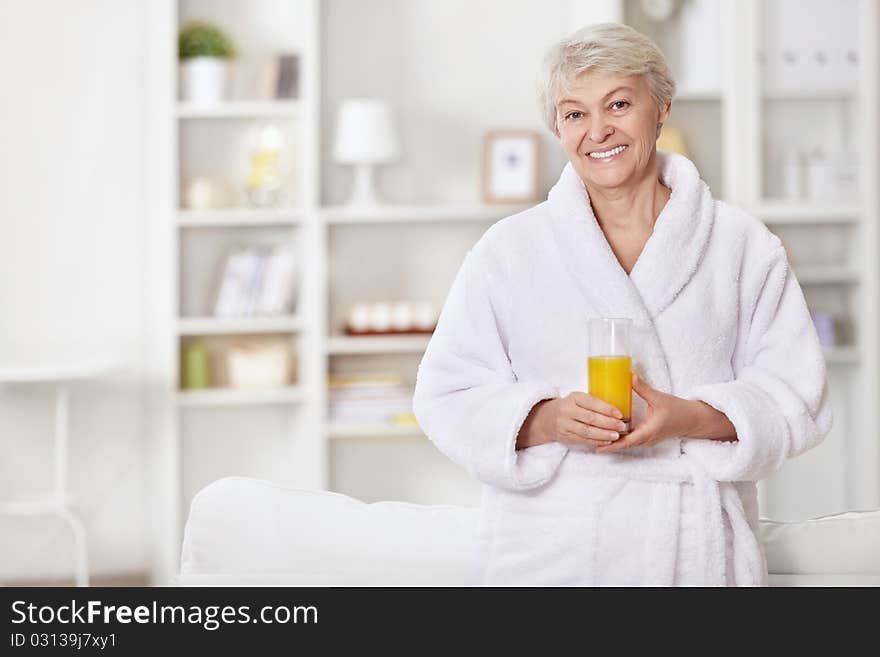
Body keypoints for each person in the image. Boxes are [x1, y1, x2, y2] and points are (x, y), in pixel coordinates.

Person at [412, 22, 832, 586]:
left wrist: (691, 418)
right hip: (548, 555)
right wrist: (546, 419)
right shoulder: (508, 252)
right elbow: (445, 394)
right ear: (558, 128)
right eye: (574, 113)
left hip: (693, 552)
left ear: (660, 107)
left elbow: (798, 396)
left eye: (618, 104)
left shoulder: (742, 246)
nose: (597, 130)